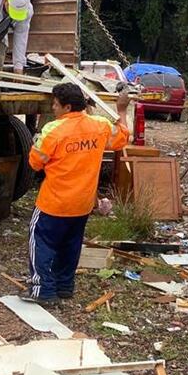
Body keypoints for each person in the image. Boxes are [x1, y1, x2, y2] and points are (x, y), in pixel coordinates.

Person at [25, 83, 130, 304]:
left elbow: (35, 163)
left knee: (41, 242)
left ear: (67, 107)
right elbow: (121, 138)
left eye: (55, 104)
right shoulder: (100, 126)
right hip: (82, 204)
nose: (53, 108)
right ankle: (64, 286)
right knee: (70, 245)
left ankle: (43, 290)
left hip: (53, 203)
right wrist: (121, 110)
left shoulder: (53, 130)